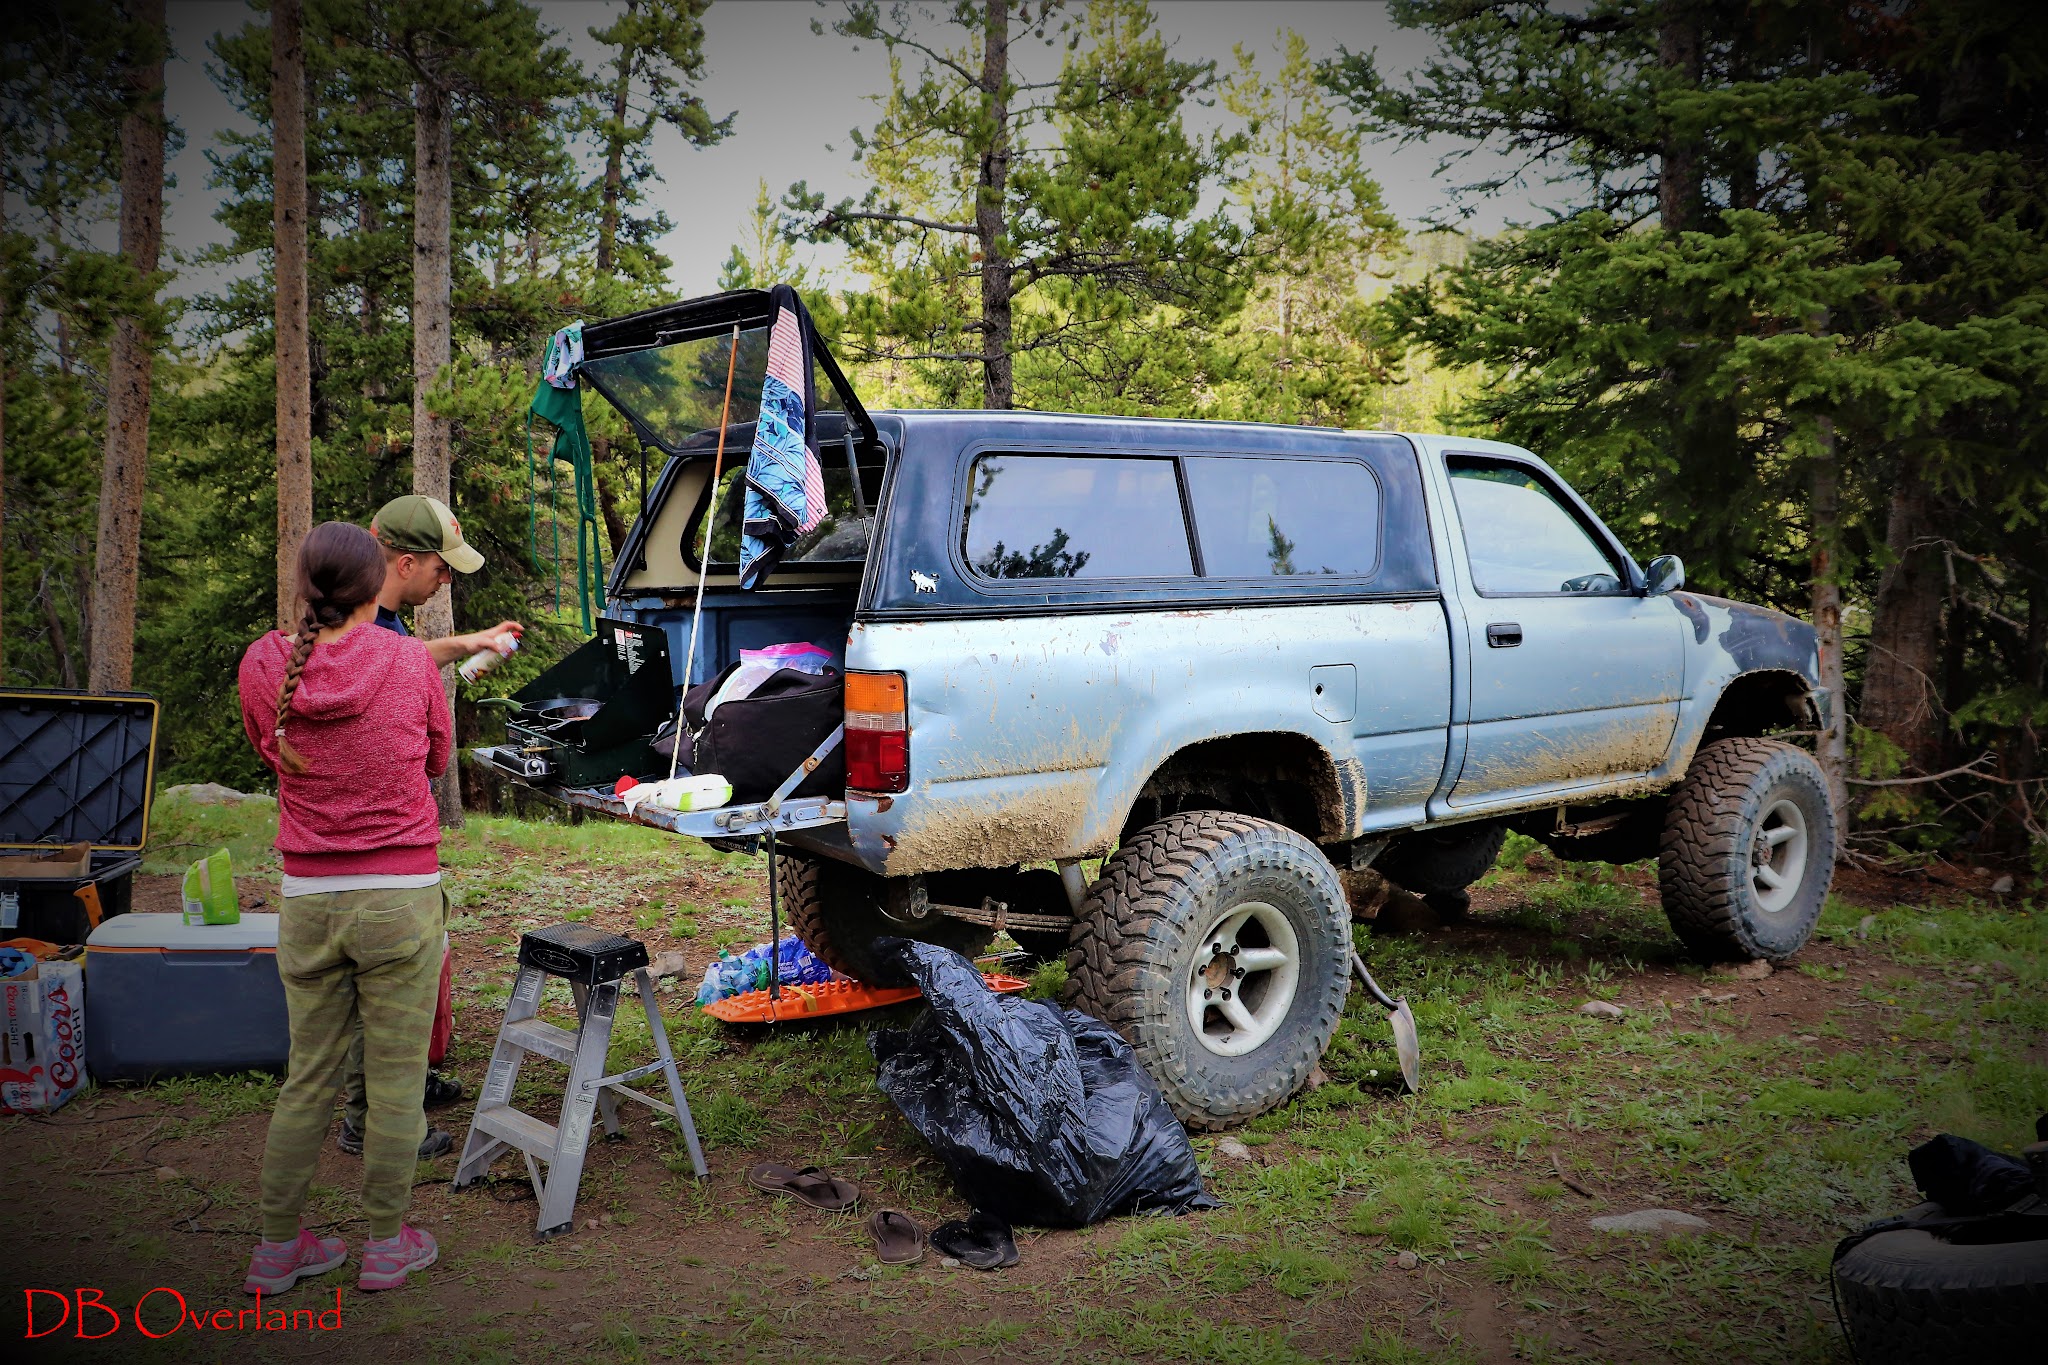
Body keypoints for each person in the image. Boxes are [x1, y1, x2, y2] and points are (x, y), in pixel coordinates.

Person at [238, 520, 449, 1294]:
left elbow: (269, 746)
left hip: (309, 898)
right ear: (373, 589)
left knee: (307, 1079)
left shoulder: (265, 661)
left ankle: (274, 1250)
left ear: (306, 587)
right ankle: (387, 1246)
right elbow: (437, 756)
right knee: (395, 1082)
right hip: (400, 896)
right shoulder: (407, 658)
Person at [331, 495, 523, 1159]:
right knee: (388, 990)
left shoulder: (368, 615)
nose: (448, 580)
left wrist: (466, 644)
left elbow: (403, 655)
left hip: (361, 849)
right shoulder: (364, 629)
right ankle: (375, 1121)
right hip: (378, 850)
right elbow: (432, 748)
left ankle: (395, 1091)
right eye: (443, 570)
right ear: (406, 561)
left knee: (389, 983)